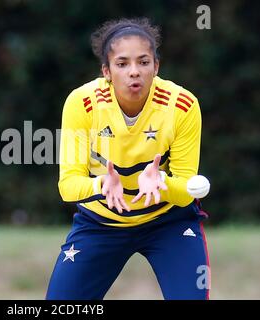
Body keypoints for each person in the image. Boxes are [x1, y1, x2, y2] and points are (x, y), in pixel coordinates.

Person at [46, 17, 210, 300]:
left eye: (144, 62)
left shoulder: (182, 105)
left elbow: (185, 192)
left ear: (156, 67)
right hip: (101, 223)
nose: (134, 72)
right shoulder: (82, 103)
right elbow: (68, 186)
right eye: (122, 64)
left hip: (168, 222)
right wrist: (100, 186)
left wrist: (161, 182)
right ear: (106, 71)